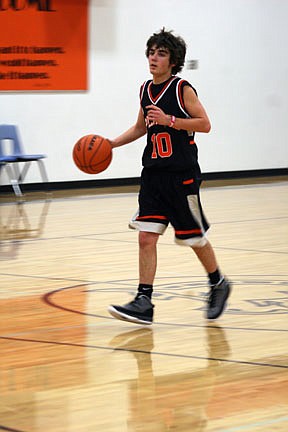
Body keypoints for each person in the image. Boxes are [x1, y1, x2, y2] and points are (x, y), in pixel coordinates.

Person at [107, 28, 231, 325]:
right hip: (152, 175)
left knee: (194, 237)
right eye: (151, 52)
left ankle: (218, 283)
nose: (153, 57)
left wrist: (170, 121)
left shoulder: (182, 88)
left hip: (182, 177)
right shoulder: (144, 90)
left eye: (160, 53)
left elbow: (205, 124)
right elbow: (140, 128)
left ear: (173, 61)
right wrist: (110, 144)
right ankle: (143, 301)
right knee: (146, 237)